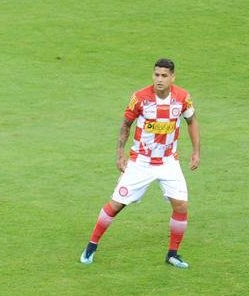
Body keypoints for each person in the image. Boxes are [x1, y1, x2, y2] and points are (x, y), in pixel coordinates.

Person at [80, 58, 199, 268]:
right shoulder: (140, 98)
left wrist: (196, 151)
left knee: (181, 205)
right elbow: (126, 124)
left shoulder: (182, 98)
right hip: (141, 162)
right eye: (156, 74)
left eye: (164, 75)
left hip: (169, 162)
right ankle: (91, 246)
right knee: (116, 204)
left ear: (172, 77)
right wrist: (120, 154)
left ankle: (173, 254)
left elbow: (192, 121)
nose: (159, 79)